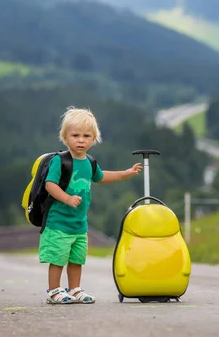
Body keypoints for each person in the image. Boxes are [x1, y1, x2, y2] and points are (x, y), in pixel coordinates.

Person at [39, 106, 142, 305]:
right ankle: (53, 291)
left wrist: (127, 172)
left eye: (86, 136)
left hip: (79, 224)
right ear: (65, 137)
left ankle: (75, 289)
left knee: (77, 259)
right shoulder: (60, 161)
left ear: (94, 139)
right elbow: (50, 185)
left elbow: (103, 177)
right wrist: (67, 199)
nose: (81, 140)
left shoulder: (90, 163)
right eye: (75, 135)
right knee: (58, 259)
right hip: (58, 222)